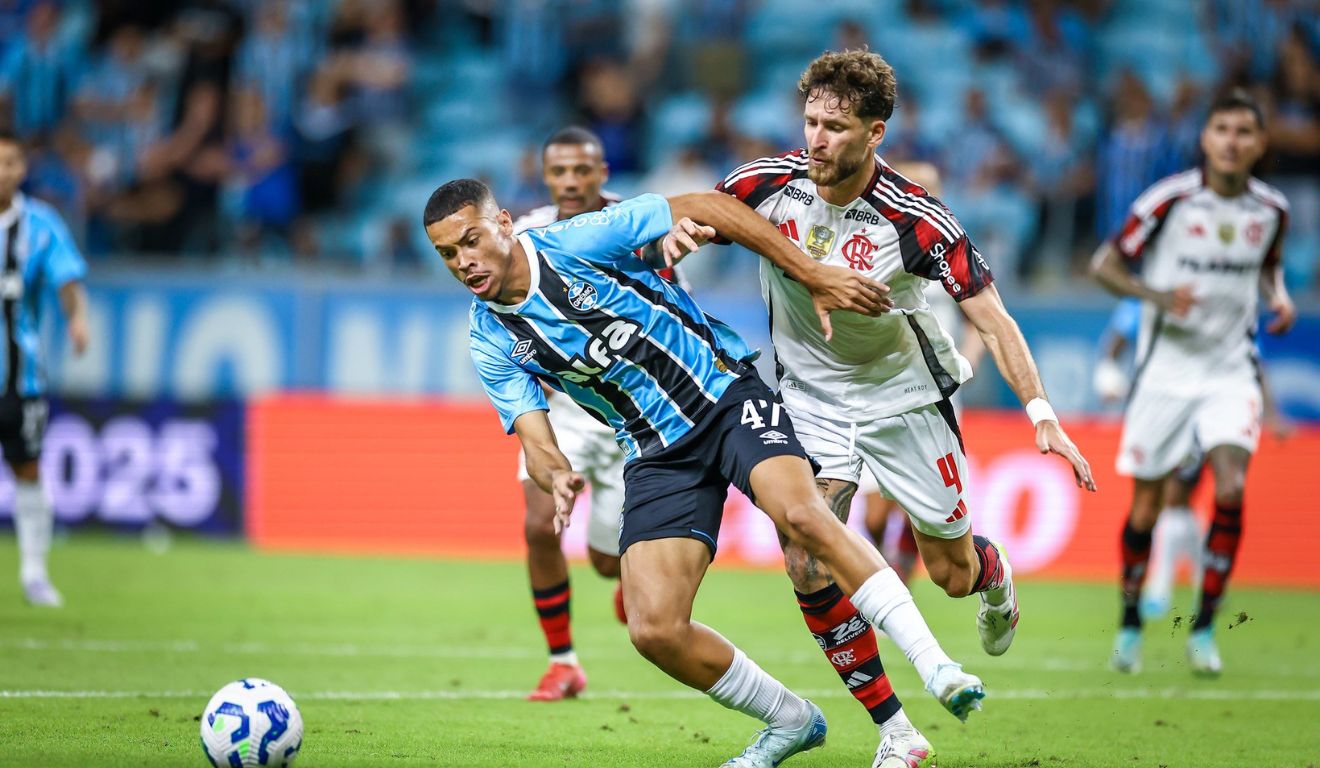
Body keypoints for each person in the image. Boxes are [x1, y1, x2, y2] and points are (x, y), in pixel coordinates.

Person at [424, 179, 985, 767]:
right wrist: (556, 473)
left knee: (802, 517)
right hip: (653, 452)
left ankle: (933, 670)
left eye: (471, 240)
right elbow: (535, 440)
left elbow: (712, 205)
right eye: (447, 253)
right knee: (653, 628)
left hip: (723, 396)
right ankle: (790, 720)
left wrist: (811, 273)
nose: (464, 262)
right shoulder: (489, 336)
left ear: (504, 224)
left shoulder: (573, 242)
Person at [662, 50, 1095, 767]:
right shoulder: (766, 184)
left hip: (905, 401)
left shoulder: (915, 219)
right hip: (810, 398)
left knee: (950, 573)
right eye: (810, 122)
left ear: (875, 133)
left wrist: (1042, 414)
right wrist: (682, 234)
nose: (817, 139)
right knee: (806, 557)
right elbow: (694, 213)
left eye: (835, 127)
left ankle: (993, 574)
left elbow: (993, 319)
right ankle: (896, 730)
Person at [1090, 89, 1295, 676]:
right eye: (1222, 129)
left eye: (1244, 132)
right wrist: (1156, 296)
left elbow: (1269, 266)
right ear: (1205, 138)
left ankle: (1203, 630)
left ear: (1259, 143)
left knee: (1230, 488)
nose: (1232, 141)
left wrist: (1279, 297)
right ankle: (1131, 623)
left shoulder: (1272, 210)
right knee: (1146, 508)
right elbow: (1104, 265)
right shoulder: (1169, 201)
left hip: (1230, 371)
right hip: (1165, 374)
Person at [509, 126, 662, 702]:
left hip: (631, 414)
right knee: (537, 525)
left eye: (582, 170)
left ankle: (623, 578)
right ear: (545, 176)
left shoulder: (635, 227)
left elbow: (671, 308)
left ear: (602, 173)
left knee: (603, 560)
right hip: (567, 411)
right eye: (559, 171)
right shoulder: (526, 235)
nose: (570, 182)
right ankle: (563, 662)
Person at [1093, 298, 1293, 622]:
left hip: (1205, 409)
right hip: (1158, 405)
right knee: (1162, 503)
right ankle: (1202, 580)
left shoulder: (1227, 298)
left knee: (1177, 496)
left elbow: (1252, 358)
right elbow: (1116, 340)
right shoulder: (1154, 292)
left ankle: (1162, 589)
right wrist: (1108, 375)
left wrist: (1270, 413)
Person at [858, 161, 985, 584]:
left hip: (936, 389)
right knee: (874, 516)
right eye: (917, 188)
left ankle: (901, 571)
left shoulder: (952, 251)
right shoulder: (880, 247)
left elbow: (979, 322)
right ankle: (882, 561)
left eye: (930, 190)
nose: (924, 197)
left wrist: (965, 361)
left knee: (922, 498)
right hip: (883, 387)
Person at [0, 130, 90, 606]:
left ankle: (34, 572)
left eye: (11, 162)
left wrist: (77, 319)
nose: (3, 172)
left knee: (28, 469)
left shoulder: (41, 224)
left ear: (23, 168)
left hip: (21, 378)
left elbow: (67, 280)